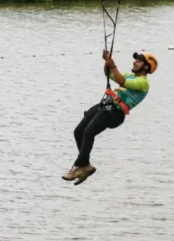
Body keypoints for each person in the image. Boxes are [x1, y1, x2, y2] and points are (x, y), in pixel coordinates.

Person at [62, 50, 158, 185]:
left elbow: (122, 81)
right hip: (106, 106)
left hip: (115, 114)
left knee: (89, 132)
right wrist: (107, 62)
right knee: (78, 131)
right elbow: (110, 74)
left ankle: (79, 167)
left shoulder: (143, 83)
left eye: (138, 61)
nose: (134, 62)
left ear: (146, 67)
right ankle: (86, 166)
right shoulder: (131, 76)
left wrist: (113, 65)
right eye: (135, 60)